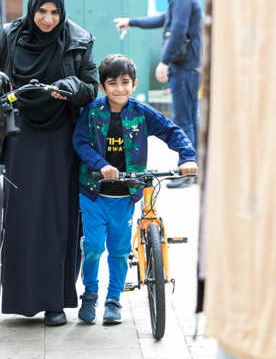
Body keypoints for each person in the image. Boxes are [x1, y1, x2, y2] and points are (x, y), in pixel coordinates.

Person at [0, 0, 98, 326]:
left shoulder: (79, 39)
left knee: (57, 218)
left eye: (54, 12)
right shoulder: (9, 35)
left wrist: (72, 87)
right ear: (31, 10)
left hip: (60, 136)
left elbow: (91, 86)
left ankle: (55, 301)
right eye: (41, 11)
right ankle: (22, 296)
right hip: (16, 129)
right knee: (19, 215)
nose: (47, 19)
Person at [72, 54, 198, 324]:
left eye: (125, 82)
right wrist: (101, 164)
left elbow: (172, 131)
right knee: (93, 246)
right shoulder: (93, 112)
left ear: (134, 83)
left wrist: (187, 157)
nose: (119, 88)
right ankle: (90, 294)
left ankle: (114, 299)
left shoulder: (141, 113)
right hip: (94, 192)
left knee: (118, 249)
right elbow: (80, 142)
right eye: (112, 83)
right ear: (102, 86)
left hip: (125, 195)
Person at [114, 0, 202, 188]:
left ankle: (187, 171)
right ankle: (192, 169)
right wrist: (131, 22)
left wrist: (164, 62)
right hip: (188, 68)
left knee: (183, 120)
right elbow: (163, 20)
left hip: (183, 68)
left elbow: (178, 31)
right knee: (189, 119)